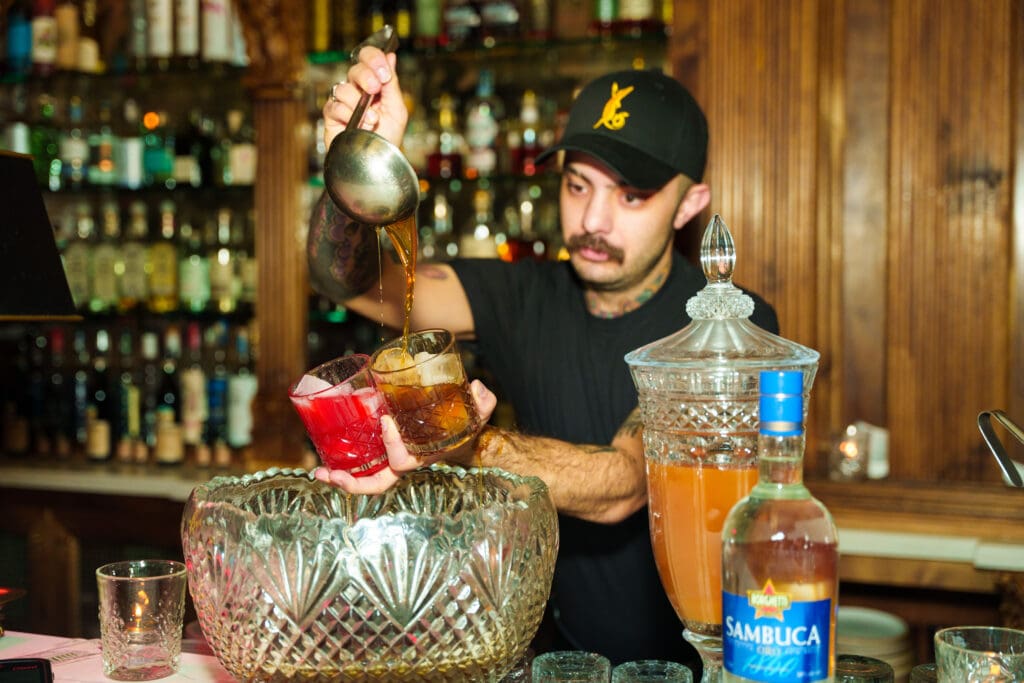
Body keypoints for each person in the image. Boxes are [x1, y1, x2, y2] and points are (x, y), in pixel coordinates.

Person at [307, 51, 780, 672]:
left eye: (631, 197)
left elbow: (626, 482)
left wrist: (467, 445)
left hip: (690, 668)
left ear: (690, 204)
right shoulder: (524, 295)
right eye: (577, 185)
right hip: (549, 663)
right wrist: (355, 175)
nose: (592, 220)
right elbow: (347, 282)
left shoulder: (727, 329)